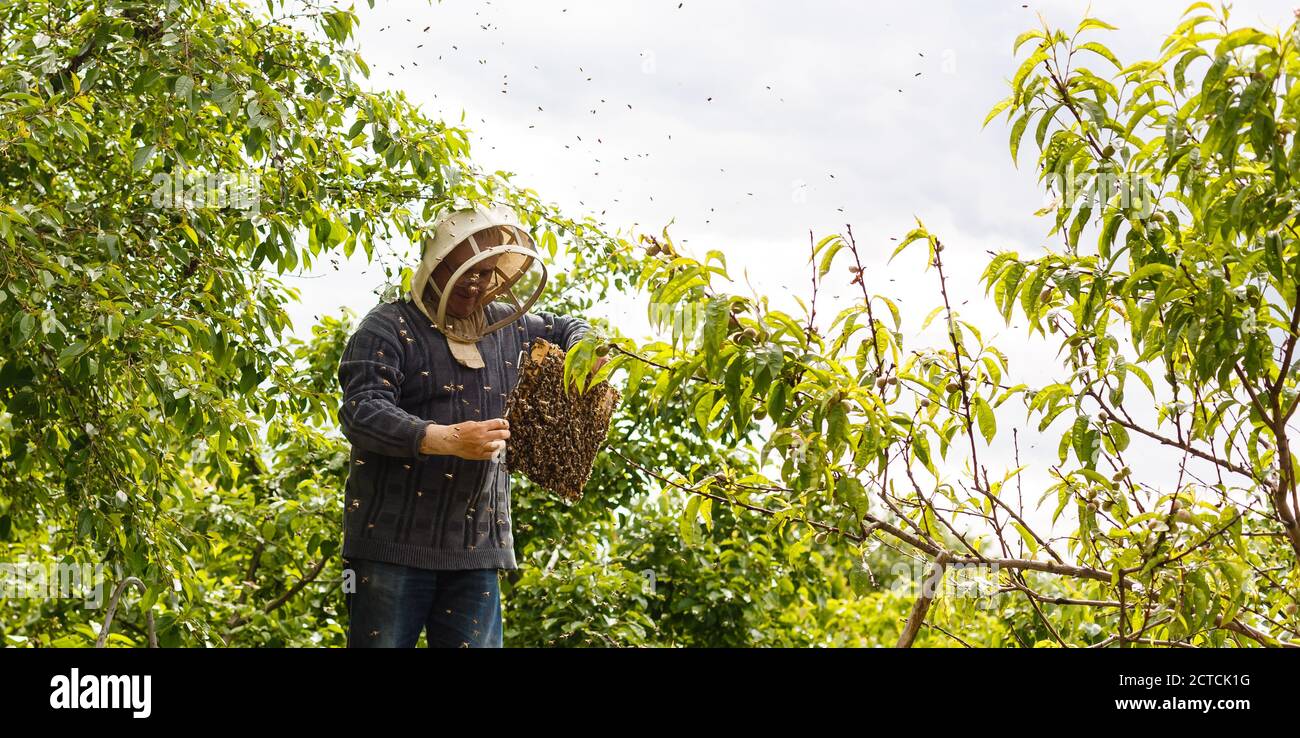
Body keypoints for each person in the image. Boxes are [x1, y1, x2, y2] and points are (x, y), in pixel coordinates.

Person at [337, 205, 604, 647]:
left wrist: (584, 349)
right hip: (390, 549)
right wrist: (444, 438)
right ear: (435, 266)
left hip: (478, 549)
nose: (474, 282)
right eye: (463, 270)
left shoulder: (510, 326)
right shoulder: (387, 327)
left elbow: (572, 327)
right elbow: (362, 410)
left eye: (484, 273)